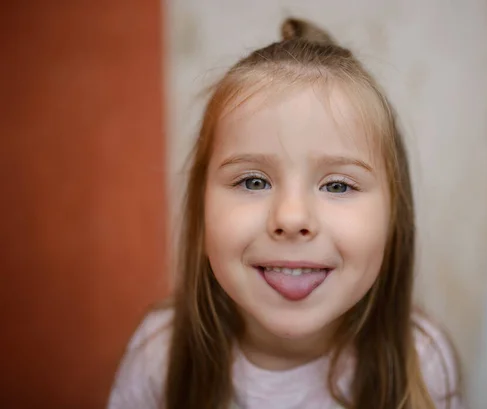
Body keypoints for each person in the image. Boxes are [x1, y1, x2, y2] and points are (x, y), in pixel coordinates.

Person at [107, 17, 464, 409]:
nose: (292, 219)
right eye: (254, 182)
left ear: (394, 217)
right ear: (201, 207)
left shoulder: (423, 359)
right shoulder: (159, 354)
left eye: (338, 185)